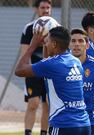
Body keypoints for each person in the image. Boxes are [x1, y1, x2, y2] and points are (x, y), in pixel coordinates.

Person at [15, 26, 91, 135]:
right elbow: (48, 64)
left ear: (54, 44)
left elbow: (19, 70)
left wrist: (33, 45)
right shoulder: (75, 61)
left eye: (47, 42)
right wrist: (46, 45)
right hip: (84, 125)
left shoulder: (52, 64)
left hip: (63, 126)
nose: (46, 44)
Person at [19, 0, 51, 135]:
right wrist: (25, 71)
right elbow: (24, 52)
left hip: (50, 71)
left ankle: (44, 132)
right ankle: (28, 132)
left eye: (48, 7)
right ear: (36, 10)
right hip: (33, 71)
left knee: (48, 104)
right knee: (33, 103)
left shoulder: (55, 27)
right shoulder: (29, 28)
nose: (45, 10)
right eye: (42, 7)